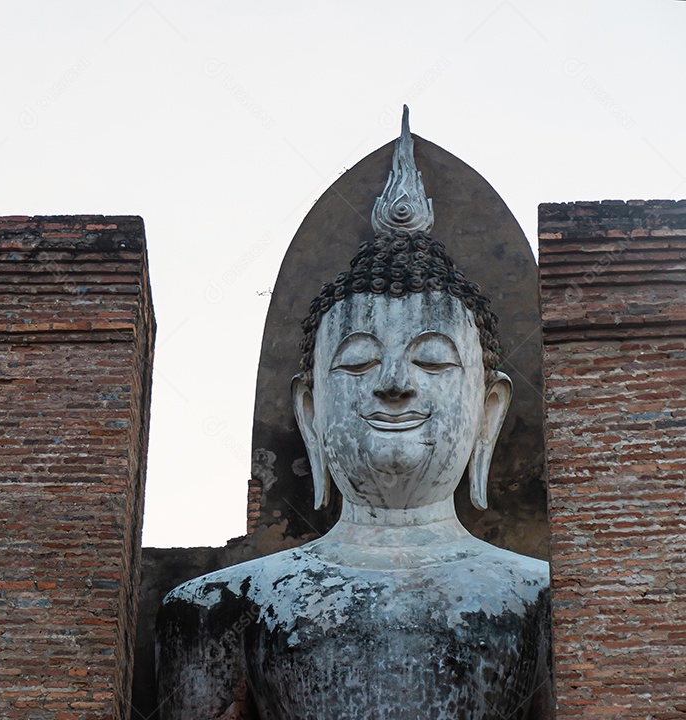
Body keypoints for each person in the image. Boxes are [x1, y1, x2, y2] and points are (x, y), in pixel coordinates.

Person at [155, 109, 552, 720]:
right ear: (311, 410)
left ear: (487, 410)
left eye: (432, 361)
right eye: (358, 362)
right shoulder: (219, 608)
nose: (394, 384)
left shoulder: (544, 603)